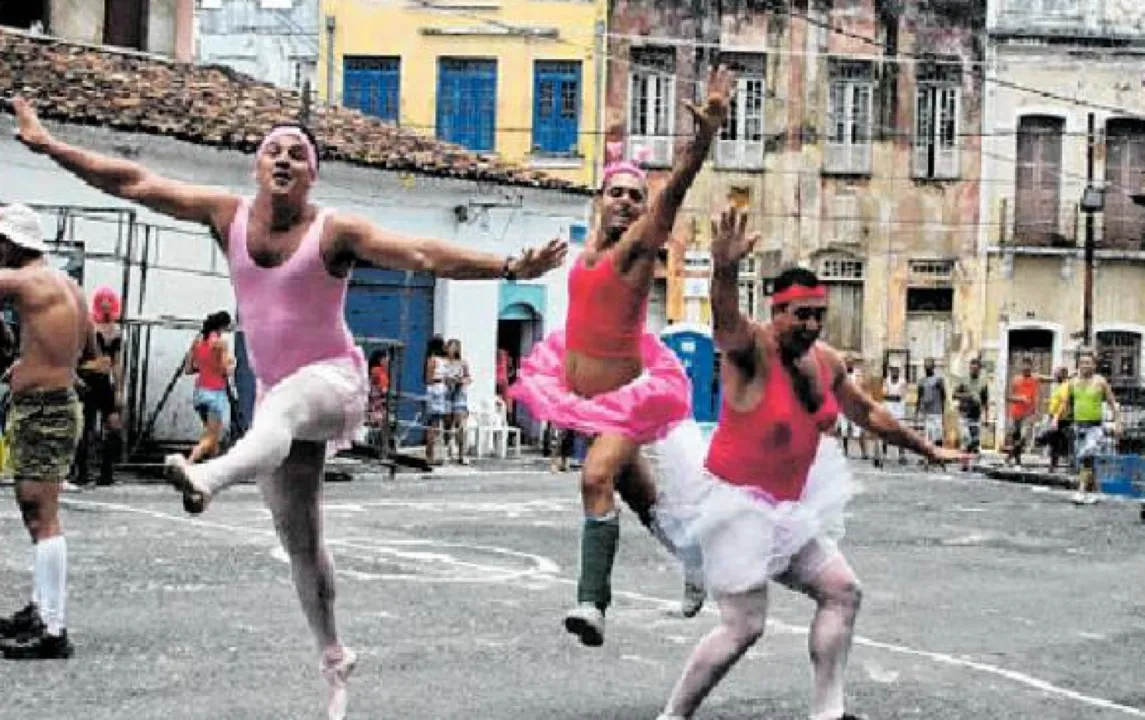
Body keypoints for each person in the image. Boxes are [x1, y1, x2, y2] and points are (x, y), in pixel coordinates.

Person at [11, 97, 565, 715]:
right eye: (273, 149)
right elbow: (137, 181)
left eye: (298, 153)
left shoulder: (336, 232)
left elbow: (422, 254)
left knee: (285, 410)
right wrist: (50, 145)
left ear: (312, 175)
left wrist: (510, 264)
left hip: (334, 381)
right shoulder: (228, 215)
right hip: (278, 393)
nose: (284, 158)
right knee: (301, 539)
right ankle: (334, 658)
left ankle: (207, 475)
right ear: (256, 166)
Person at [651, 217, 966, 720]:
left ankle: (828, 714)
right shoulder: (750, 349)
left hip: (786, 510)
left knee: (843, 591)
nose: (813, 325)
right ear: (776, 311)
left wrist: (927, 449)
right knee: (744, 627)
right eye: (802, 315)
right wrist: (725, 268)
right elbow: (725, 316)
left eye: (820, 314)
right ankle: (672, 718)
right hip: (734, 509)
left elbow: (867, 412)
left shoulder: (826, 360)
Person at [510, 66, 736, 647]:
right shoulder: (585, 252)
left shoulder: (635, 253)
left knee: (596, 477)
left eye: (637, 197)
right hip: (581, 395)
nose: (630, 204)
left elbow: (673, 195)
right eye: (619, 193)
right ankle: (696, 562)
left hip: (626, 398)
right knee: (638, 495)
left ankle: (592, 604)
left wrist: (703, 141)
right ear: (600, 199)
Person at [0, 204, 87, 660]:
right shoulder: (66, 284)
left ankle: (54, 629)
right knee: (38, 514)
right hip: (54, 404)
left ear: (13, 243)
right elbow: (87, 343)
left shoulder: (25, 280)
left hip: (44, 410)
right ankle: (40, 608)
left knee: (42, 516)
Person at [1054, 349, 1121, 505]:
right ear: (1078, 365)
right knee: (1087, 461)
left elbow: (1113, 404)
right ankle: (1097, 491)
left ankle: (1081, 491)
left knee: (1087, 457)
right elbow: (1065, 403)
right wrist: (1056, 418)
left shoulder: (1100, 381)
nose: (1085, 366)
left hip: (1095, 427)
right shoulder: (1073, 383)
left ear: (1094, 365)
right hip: (1079, 427)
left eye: (1088, 363)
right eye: (1082, 363)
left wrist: (1118, 423)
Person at [72, 285, 124, 486]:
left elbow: (117, 362)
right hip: (88, 380)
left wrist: (119, 389)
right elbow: (76, 357)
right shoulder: (89, 326)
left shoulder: (116, 330)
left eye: (109, 301)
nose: (105, 305)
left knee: (113, 425)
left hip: (105, 383)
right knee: (87, 428)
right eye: (102, 301)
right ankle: (82, 471)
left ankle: (106, 473)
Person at [182, 311, 234, 466]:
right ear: (222, 326)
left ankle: (210, 471)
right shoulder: (221, 344)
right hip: (215, 393)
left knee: (212, 438)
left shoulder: (197, 342)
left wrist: (206, 367)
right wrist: (233, 364)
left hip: (200, 393)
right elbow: (226, 369)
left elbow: (189, 369)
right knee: (211, 438)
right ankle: (188, 462)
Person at [953, 356, 988, 471]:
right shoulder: (963, 380)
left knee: (975, 441)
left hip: (976, 415)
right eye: (972, 368)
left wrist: (986, 417)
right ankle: (964, 463)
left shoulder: (983, 383)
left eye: (976, 368)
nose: (974, 370)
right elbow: (955, 395)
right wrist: (967, 396)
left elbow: (985, 400)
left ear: (979, 369)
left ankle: (972, 463)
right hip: (964, 414)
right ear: (969, 368)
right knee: (966, 438)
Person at [1006, 357, 1040, 467]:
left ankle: (1011, 455)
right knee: (1016, 437)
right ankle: (1017, 461)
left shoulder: (1034, 379)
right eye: (1024, 366)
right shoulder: (1016, 379)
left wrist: (1061, 377)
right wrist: (1020, 398)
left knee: (1023, 437)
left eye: (1028, 366)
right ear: (1021, 367)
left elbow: (1048, 378)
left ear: (1031, 367)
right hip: (1015, 413)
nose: (1026, 368)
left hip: (1028, 414)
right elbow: (1008, 397)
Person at [443, 338, 471, 465]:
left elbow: (469, 377)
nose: (452, 350)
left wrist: (462, 381)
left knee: (461, 426)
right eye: (450, 347)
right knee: (447, 424)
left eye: (455, 347)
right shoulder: (443, 362)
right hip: (446, 394)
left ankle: (462, 454)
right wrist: (447, 380)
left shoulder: (462, 362)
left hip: (459, 395)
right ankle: (447, 450)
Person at [914, 358, 946, 469]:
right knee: (928, 437)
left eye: (929, 367)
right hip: (927, 413)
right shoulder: (922, 381)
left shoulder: (938, 380)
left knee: (938, 437)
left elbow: (943, 396)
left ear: (933, 367)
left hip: (937, 412)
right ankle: (928, 459)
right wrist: (917, 412)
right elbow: (919, 397)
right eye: (925, 367)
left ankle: (939, 458)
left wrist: (943, 411)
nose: (927, 369)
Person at [423, 335, 448, 465]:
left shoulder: (441, 360)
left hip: (441, 392)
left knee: (437, 425)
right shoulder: (432, 360)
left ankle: (435, 454)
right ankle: (429, 454)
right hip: (435, 393)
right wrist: (441, 379)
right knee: (432, 424)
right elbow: (428, 379)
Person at [1046, 366, 1072, 471]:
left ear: (1062, 375)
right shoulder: (1060, 386)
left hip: (1061, 419)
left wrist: (1056, 418)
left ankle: (1054, 465)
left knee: (1056, 442)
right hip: (1057, 417)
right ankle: (1054, 465)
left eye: (1056, 374)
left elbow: (1064, 402)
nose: (1055, 376)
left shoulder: (1065, 386)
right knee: (1055, 442)